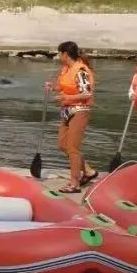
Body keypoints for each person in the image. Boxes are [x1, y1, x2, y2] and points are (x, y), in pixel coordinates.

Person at [44, 41, 98, 193]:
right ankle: (88, 171)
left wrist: (67, 97)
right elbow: (63, 86)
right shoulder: (66, 69)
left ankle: (74, 183)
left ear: (65, 54)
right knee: (62, 144)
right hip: (67, 111)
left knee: (73, 147)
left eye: (59, 53)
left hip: (79, 110)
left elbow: (87, 93)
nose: (59, 56)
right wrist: (53, 87)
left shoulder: (80, 71)